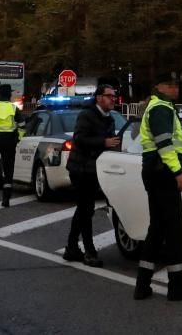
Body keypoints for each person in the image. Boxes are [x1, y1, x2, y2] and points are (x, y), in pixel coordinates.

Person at [133, 73, 182, 302]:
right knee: (174, 230)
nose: (176, 89)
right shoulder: (161, 108)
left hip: (155, 173)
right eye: (171, 85)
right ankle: (176, 285)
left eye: (176, 85)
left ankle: (143, 284)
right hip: (163, 173)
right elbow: (164, 144)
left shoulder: (159, 107)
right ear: (159, 87)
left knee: (157, 228)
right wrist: (177, 171)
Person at [63, 82, 121, 267]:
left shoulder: (109, 118)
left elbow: (110, 141)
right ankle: (89, 251)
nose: (113, 99)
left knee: (84, 209)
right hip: (80, 169)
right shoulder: (87, 115)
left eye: (114, 96)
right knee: (86, 210)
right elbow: (79, 138)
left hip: (95, 169)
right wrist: (103, 142)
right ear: (99, 98)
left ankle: (71, 247)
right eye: (109, 96)